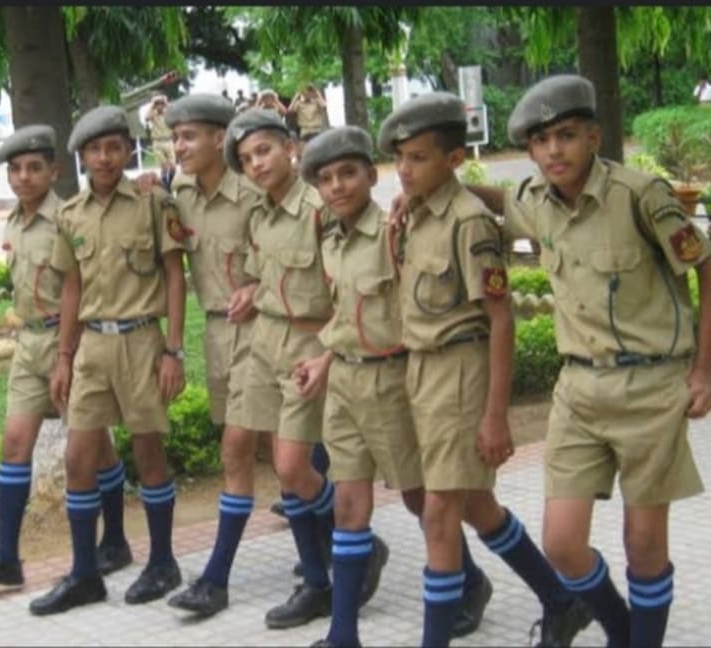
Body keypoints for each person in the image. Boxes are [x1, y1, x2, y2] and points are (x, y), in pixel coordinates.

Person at [462, 73, 710, 648]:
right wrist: (441, 183)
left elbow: (705, 267)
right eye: (541, 141)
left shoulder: (641, 196)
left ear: (593, 137)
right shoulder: (535, 203)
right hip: (577, 389)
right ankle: (623, 632)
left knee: (644, 544)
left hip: (651, 388)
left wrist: (703, 370)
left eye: (567, 135)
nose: (554, 151)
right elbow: (504, 202)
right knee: (563, 544)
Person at [377, 92, 591, 648]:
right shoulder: (416, 213)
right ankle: (560, 597)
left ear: (452, 160)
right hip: (421, 373)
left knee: (441, 514)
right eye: (400, 157)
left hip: (459, 375)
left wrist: (496, 415)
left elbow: (501, 320)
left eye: (419, 157)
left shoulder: (469, 223)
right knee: (474, 503)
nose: (404, 169)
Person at [296, 126, 500, 648]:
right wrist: (324, 359)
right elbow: (348, 314)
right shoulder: (332, 239)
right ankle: (344, 635)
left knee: (420, 500)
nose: (337, 186)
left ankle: (470, 583)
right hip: (344, 379)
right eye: (326, 178)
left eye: (348, 173)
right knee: (349, 505)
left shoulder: (395, 232)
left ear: (370, 174)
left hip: (393, 379)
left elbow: (421, 309)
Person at [221, 109, 388, 631]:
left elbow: (350, 281)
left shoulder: (319, 206)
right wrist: (251, 290)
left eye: (264, 150)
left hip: (310, 342)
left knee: (295, 467)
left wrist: (330, 352)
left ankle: (362, 542)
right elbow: (263, 274)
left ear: (291, 147)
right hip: (265, 339)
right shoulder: (260, 213)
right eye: (247, 159)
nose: (256, 164)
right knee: (281, 468)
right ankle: (317, 581)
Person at [0, 124, 130, 588]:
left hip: (68, 341)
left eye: (34, 168)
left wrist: (70, 353)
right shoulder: (13, 222)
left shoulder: (68, 218)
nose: (24, 177)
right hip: (28, 343)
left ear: (54, 171)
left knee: (93, 449)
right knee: (14, 443)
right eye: (15, 170)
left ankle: (114, 539)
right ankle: (6, 557)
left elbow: (82, 286)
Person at [29, 105, 188, 616]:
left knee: (148, 453)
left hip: (142, 340)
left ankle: (162, 561)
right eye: (94, 150)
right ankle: (84, 574)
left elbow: (175, 275)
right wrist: (64, 357)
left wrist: (174, 350)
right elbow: (71, 289)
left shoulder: (152, 202)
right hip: (91, 347)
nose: (104, 157)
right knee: (80, 456)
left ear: (127, 150)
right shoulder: (70, 215)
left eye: (114, 147)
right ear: (81, 156)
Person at [145, 92, 262, 619]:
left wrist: (257, 288)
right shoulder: (179, 193)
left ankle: (215, 578)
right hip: (217, 335)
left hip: (263, 333)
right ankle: (345, 547)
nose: (179, 146)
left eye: (189, 136)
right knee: (291, 455)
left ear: (221, 137)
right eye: (175, 137)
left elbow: (288, 255)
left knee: (237, 452)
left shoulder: (256, 192)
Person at [145, 94, 177, 189]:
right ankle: (165, 186)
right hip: (158, 142)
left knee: (172, 165)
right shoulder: (153, 115)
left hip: (168, 141)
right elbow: (146, 117)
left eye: (161, 104)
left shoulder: (168, 114)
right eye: (157, 104)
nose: (160, 106)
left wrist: (166, 102)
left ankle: (171, 183)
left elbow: (174, 112)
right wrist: (152, 104)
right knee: (163, 166)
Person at [288, 84, 330, 153]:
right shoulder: (299, 104)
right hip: (305, 131)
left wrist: (317, 93)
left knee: (319, 152)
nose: (307, 93)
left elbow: (324, 106)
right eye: (305, 91)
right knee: (305, 152)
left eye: (309, 91)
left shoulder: (316, 102)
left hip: (317, 130)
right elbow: (290, 111)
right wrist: (296, 96)